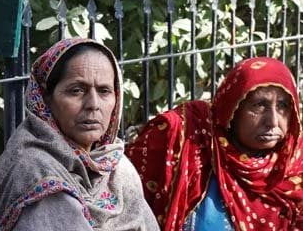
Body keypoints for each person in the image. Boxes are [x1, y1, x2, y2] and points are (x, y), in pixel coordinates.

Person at [0, 38, 159, 231]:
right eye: (76, 91)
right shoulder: (36, 171)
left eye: (104, 91)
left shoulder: (116, 166)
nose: (93, 104)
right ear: (46, 98)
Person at [126, 57, 303, 231]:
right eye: (259, 105)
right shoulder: (187, 136)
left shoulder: (295, 162)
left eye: (282, 106)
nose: (273, 121)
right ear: (232, 108)